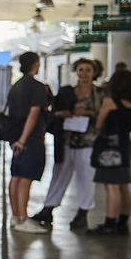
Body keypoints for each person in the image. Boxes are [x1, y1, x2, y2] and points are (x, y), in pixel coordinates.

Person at [33, 58, 101, 231]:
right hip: (66, 140)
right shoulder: (67, 91)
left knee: (86, 178)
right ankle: (48, 208)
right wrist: (63, 114)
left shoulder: (99, 94)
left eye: (88, 70)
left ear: (94, 73)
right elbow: (54, 111)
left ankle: (83, 212)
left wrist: (87, 113)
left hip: (88, 141)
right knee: (59, 174)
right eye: (81, 70)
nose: (84, 74)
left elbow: (103, 115)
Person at [88, 67, 131, 236]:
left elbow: (99, 124)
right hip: (125, 144)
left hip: (109, 145)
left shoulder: (110, 102)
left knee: (111, 185)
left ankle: (109, 223)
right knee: (123, 185)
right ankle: (122, 222)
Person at [6, 51, 52, 233]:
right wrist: (23, 140)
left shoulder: (16, 86)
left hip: (16, 137)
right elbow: (33, 115)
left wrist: (16, 140)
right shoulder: (37, 87)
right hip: (30, 139)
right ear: (34, 64)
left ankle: (15, 216)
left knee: (16, 176)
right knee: (25, 178)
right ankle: (23, 218)